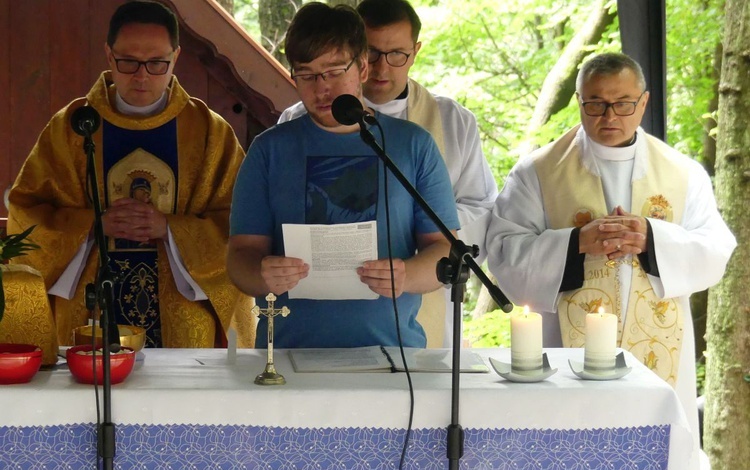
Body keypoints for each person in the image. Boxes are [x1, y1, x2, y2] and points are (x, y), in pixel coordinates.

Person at [485, 52, 736, 470]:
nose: (609, 115)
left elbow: (717, 250)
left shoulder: (683, 173)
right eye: (596, 104)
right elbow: (502, 252)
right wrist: (575, 243)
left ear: (643, 103)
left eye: (622, 103)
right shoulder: (537, 173)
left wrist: (653, 238)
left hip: (658, 351)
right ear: (579, 103)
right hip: (563, 346)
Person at [7, 0, 255, 349]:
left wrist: (170, 230)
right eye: (129, 62)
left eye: (156, 63)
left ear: (176, 57)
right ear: (109, 56)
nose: (141, 76)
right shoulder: (72, 127)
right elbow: (26, 213)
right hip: (89, 309)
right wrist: (93, 226)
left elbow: (242, 223)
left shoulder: (209, 133)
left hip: (182, 317)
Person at [227, 2, 459, 349]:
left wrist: (407, 275)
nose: (322, 88)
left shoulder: (412, 145)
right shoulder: (268, 151)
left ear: (362, 67)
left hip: (393, 354)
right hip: (289, 355)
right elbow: (240, 256)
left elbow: (445, 250)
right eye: (306, 75)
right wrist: (263, 274)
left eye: (334, 71)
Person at [278, 0, 498, 347]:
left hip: (419, 295)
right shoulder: (297, 120)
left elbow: (482, 206)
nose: (382, 68)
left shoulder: (452, 121)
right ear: (357, 57)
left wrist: (412, 237)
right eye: (372, 53)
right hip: (317, 304)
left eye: (397, 54)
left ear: (415, 52)